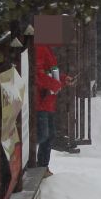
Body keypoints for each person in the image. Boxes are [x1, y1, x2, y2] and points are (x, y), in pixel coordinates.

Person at [33, 43, 71, 176]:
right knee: (43, 135)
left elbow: (49, 72)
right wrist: (56, 84)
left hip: (46, 101)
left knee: (48, 136)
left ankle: (42, 167)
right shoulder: (40, 48)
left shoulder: (46, 48)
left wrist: (62, 79)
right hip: (41, 101)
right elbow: (37, 74)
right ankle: (35, 165)